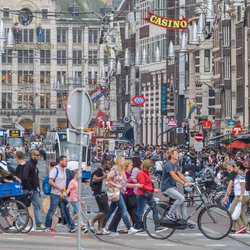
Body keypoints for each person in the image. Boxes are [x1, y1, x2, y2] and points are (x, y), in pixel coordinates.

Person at [102, 156, 140, 234]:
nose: (124, 161)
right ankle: (129, 228)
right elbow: (108, 180)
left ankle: (102, 226)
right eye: (122, 160)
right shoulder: (114, 169)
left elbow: (123, 182)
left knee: (111, 210)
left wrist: (129, 180)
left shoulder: (121, 170)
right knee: (123, 209)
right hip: (117, 192)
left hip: (120, 192)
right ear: (119, 161)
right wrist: (116, 185)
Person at [45, 155, 76, 233]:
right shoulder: (55, 170)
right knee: (52, 210)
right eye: (65, 161)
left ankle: (71, 226)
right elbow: (50, 181)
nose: (67, 163)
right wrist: (59, 188)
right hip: (55, 194)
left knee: (65, 211)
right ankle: (47, 227)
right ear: (60, 161)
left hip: (62, 194)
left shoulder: (65, 170)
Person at [161, 147, 193, 222]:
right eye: (176, 153)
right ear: (172, 155)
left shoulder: (175, 165)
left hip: (172, 187)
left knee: (184, 202)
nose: (178, 155)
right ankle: (170, 213)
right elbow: (174, 176)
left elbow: (179, 174)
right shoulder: (168, 164)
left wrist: (187, 182)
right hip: (166, 187)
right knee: (181, 198)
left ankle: (184, 220)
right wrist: (183, 183)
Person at [22, 150, 45, 230]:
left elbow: (36, 177)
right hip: (29, 190)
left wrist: (38, 186)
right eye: (37, 155)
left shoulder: (34, 165)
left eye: (39, 155)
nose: (39, 156)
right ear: (33, 156)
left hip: (35, 190)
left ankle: (39, 223)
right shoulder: (28, 165)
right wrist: (29, 187)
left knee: (37, 205)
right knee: (25, 207)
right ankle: (23, 223)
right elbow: (24, 177)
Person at [89, 159, 111, 234]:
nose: (110, 165)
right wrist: (103, 177)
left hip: (103, 193)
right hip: (99, 193)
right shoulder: (99, 170)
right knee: (106, 210)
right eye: (109, 164)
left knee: (102, 211)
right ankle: (92, 221)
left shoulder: (103, 170)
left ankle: (100, 229)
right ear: (104, 164)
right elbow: (94, 179)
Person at [136, 159, 159, 230]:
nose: (150, 169)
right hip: (142, 194)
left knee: (155, 208)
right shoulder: (141, 173)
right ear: (146, 167)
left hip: (148, 194)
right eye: (149, 167)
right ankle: (140, 226)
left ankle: (157, 225)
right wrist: (153, 189)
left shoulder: (146, 172)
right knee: (140, 211)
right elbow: (142, 185)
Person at [229, 161, 250, 234]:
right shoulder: (239, 175)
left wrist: (241, 196)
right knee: (241, 212)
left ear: (238, 167)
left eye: (235, 166)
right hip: (244, 195)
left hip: (241, 195)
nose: (234, 167)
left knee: (231, 210)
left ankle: (241, 226)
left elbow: (243, 186)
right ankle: (246, 227)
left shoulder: (241, 175)